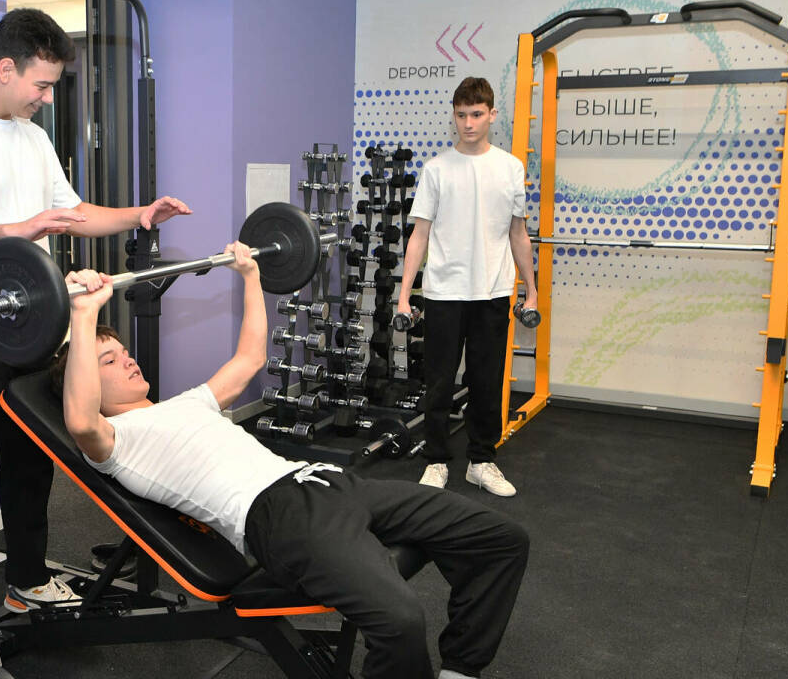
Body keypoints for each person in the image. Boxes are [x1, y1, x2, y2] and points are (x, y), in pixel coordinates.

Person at [57, 245, 530, 679]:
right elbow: (79, 420)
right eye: (108, 361)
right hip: (281, 517)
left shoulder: (186, 403)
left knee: (501, 540)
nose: (128, 360)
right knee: (399, 620)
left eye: (123, 352)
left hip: (330, 482)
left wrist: (250, 276)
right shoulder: (116, 442)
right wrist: (83, 315)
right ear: (87, 384)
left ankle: (460, 669)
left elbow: (250, 358)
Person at [0, 7, 192, 665]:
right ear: (6, 69)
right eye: (42, 85)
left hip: (31, 335)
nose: (47, 98)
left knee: (29, 468)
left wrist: (139, 214)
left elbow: (70, 214)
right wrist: (21, 229)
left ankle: (25, 582)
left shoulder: (32, 137)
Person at [396, 76, 538, 497]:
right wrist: (404, 296)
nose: (469, 123)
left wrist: (531, 290)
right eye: (462, 115)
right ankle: (437, 460)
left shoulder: (510, 168)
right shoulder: (436, 169)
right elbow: (419, 236)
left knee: (486, 382)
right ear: (454, 117)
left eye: (477, 114)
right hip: (444, 292)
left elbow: (518, 234)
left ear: (492, 114)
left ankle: (481, 461)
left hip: (493, 292)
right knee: (439, 382)